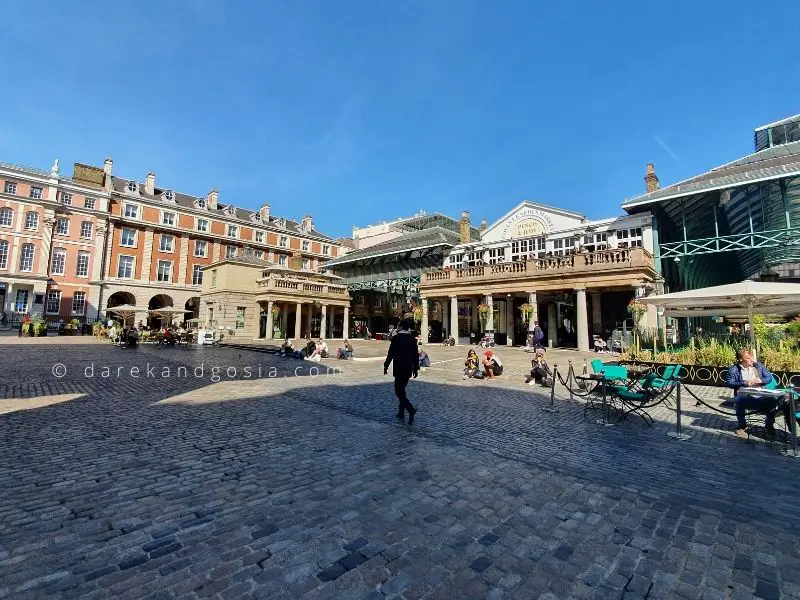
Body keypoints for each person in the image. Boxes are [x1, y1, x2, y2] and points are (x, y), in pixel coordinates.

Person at [725, 348, 780, 438]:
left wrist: (761, 380)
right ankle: (742, 425)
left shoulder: (758, 366)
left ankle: (769, 424)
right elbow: (729, 383)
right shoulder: (733, 369)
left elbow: (769, 377)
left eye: (751, 358)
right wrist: (745, 382)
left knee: (775, 401)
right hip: (745, 395)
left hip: (760, 392)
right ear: (740, 360)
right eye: (748, 358)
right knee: (739, 400)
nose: (752, 360)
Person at [384, 319, 418, 424]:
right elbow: (415, 355)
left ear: (401, 326)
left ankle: (410, 409)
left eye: (398, 325)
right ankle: (401, 412)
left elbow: (390, 354)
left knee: (398, 392)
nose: (397, 327)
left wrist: (386, 365)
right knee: (402, 390)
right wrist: (416, 368)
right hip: (408, 368)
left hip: (399, 368)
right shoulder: (412, 339)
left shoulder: (396, 339)